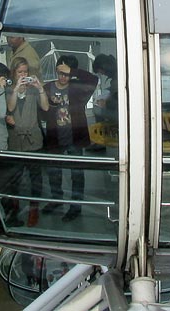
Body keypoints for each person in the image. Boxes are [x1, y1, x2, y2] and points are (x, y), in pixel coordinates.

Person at [40, 55, 98, 222]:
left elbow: (93, 79)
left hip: (75, 137)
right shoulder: (48, 87)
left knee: (77, 174)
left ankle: (75, 207)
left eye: (66, 74)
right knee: (54, 172)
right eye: (60, 73)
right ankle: (56, 200)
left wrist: (73, 71)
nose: (63, 77)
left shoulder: (78, 88)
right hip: (54, 137)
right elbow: (42, 111)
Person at [4, 57, 47, 226]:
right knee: (15, 177)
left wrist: (40, 88)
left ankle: (33, 210)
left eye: (26, 72)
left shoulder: (33, 90)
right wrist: (16, 90)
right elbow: (10, 108)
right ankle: (15, 208)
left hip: (33, 140)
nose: (23, 75)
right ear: (14, 73)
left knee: (35, 178)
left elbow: (45, 107)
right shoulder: (8, 90)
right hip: (16, 141)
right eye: (20, 72)